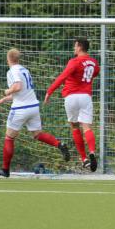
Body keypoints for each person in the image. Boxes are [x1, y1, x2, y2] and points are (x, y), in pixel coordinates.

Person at [0, 49, 70, 178]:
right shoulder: (25, 70)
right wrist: (4, 99)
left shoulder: (12, 71)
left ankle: (5, 170)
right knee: (37, 134)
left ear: (8, 59)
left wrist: (6, 92)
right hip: (33, 106)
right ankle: (59, 144)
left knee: (9, 137)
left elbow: (18, 87)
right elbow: (21, 92)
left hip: (20, 109)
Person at [44, 38, 100, 171]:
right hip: (86, 97)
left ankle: (84, 159)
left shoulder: (74, 61)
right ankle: (92, 152)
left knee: (75, 127)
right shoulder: (93, 62)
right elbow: (95, 73)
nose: (74, 49)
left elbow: (63, 76)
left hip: (72, 96)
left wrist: (49, 91)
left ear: (80, 47)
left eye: (75, 46)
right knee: (87, 127)